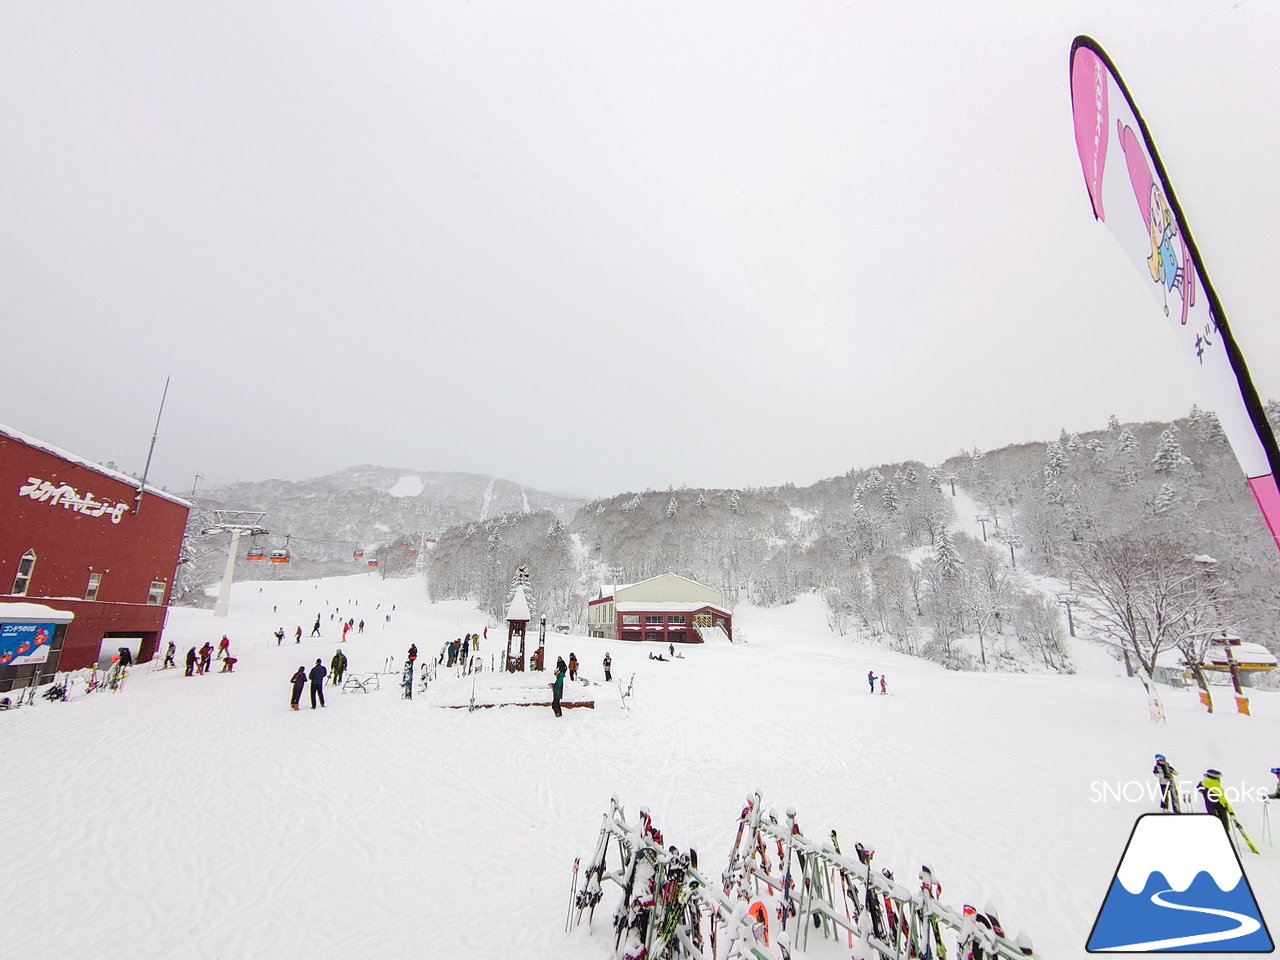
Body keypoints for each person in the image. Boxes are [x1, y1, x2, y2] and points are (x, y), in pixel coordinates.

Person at [1197, 769, 1233, 834]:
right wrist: (1230, 810)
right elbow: (1223, 802)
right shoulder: (1214, 788)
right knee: (1223, 830)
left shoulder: (1205, 786)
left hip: (1213, 814)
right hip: (1218, 814)